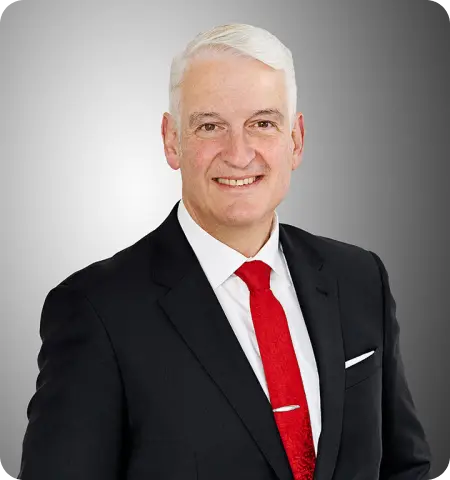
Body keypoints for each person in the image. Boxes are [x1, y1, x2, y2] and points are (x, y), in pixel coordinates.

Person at [16, 23, 432, 480]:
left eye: (262, 123)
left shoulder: (359, 278)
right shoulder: (97, 311)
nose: (238, 153)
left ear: (295, 140)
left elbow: (404, 467)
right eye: (210, 126)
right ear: (172, 140)